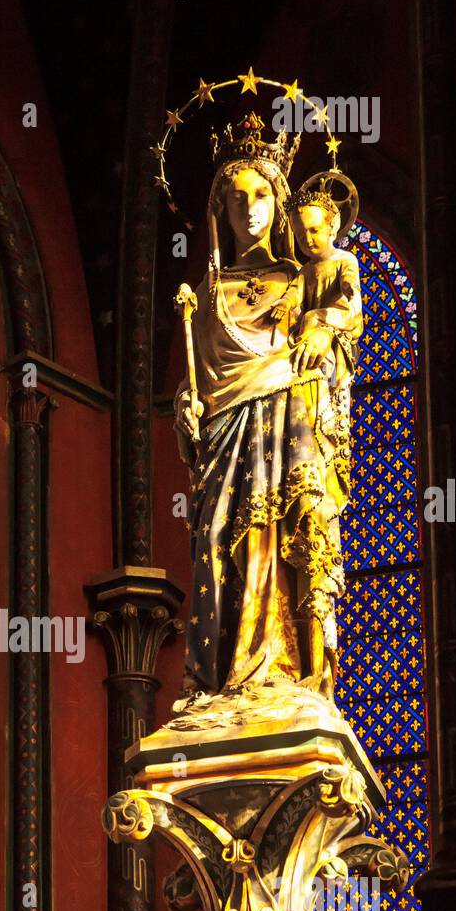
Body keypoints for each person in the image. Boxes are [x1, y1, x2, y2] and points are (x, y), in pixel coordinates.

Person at [173, 115, 357, 700]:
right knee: (215, 539)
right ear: (219, 209)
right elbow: (199, 375)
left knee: (274, 538)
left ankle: (279, 671)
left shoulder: (299, 276)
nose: (248, 210)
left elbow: (331, 330)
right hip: (226, 428)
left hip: (282, 420)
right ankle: (218, 682)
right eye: (235, 199)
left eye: (260, 196)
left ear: (277, 205)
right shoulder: (205, 294)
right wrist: (185, 404)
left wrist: (325, 331)